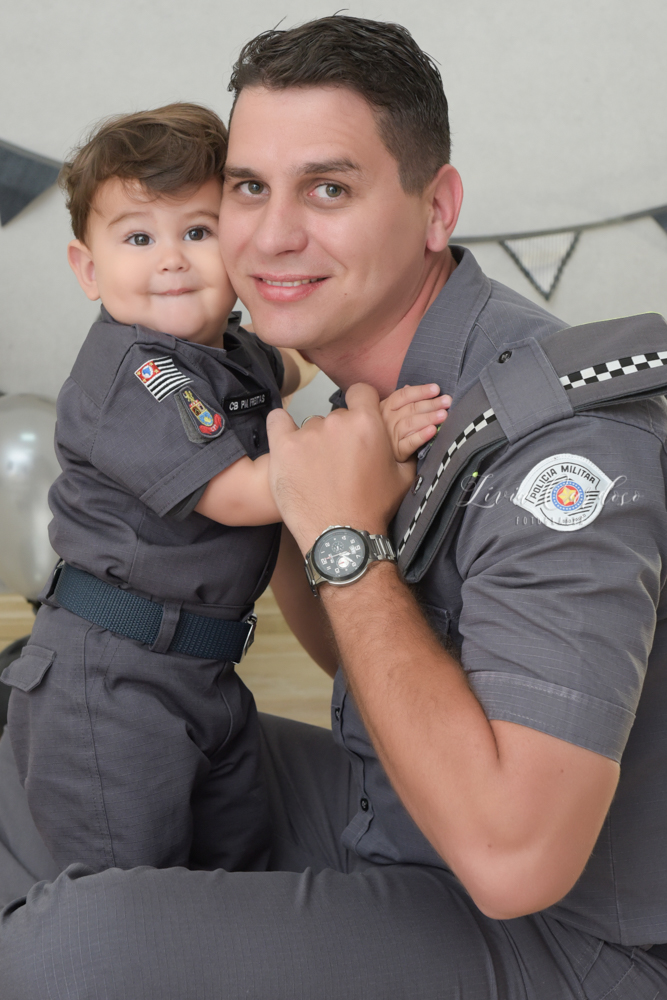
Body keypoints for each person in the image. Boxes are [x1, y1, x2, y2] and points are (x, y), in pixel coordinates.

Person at [1, 15, 667, 1000]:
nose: (271, 234)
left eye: (328, 188)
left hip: (562, 936)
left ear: (435, 208)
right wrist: (269, 487)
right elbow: (358, 653)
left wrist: (346, 537)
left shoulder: (563, 448)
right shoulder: (356, 394)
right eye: (246, 189)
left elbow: (515, 861)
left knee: (65, 951)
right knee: (25, 740)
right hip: (402, 800)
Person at [0, 101, 447, 877]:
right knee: (125, 887)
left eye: (197, 232)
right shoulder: (138, 374)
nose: (170, 259)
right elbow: (239, 495)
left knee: (238, 858)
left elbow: (294, 367)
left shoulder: (229, 349)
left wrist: (364, 365)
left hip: (203, 673)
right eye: (139, 237)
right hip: (110, 678)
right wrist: (365, 441)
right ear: (89, 268)